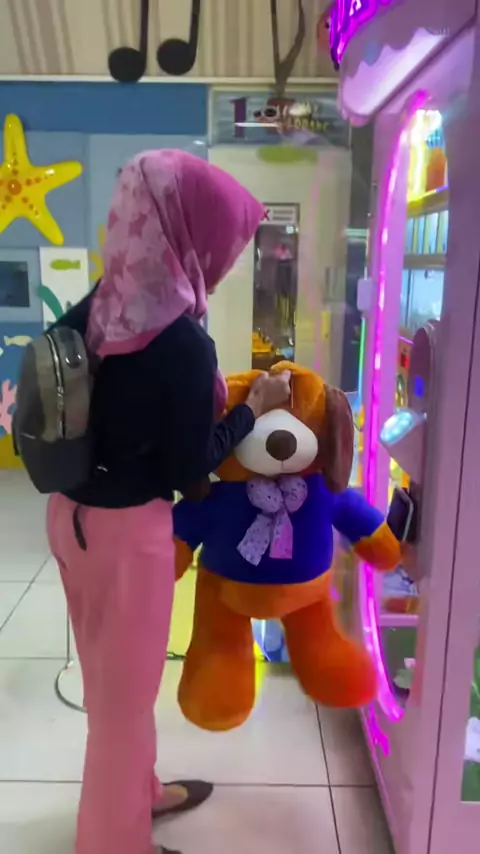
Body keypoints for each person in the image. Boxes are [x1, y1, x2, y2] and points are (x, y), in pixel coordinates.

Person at [46, 150, 291, 854]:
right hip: (127, 537)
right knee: (121, 711)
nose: (223, 259)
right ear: (186, 230)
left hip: (70, 517)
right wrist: (253, 410)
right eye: (222, 240)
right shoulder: (181, 343)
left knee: (113, 692)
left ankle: (139, 793)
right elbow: (190, 469)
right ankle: (113, 842)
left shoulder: (103, 301)